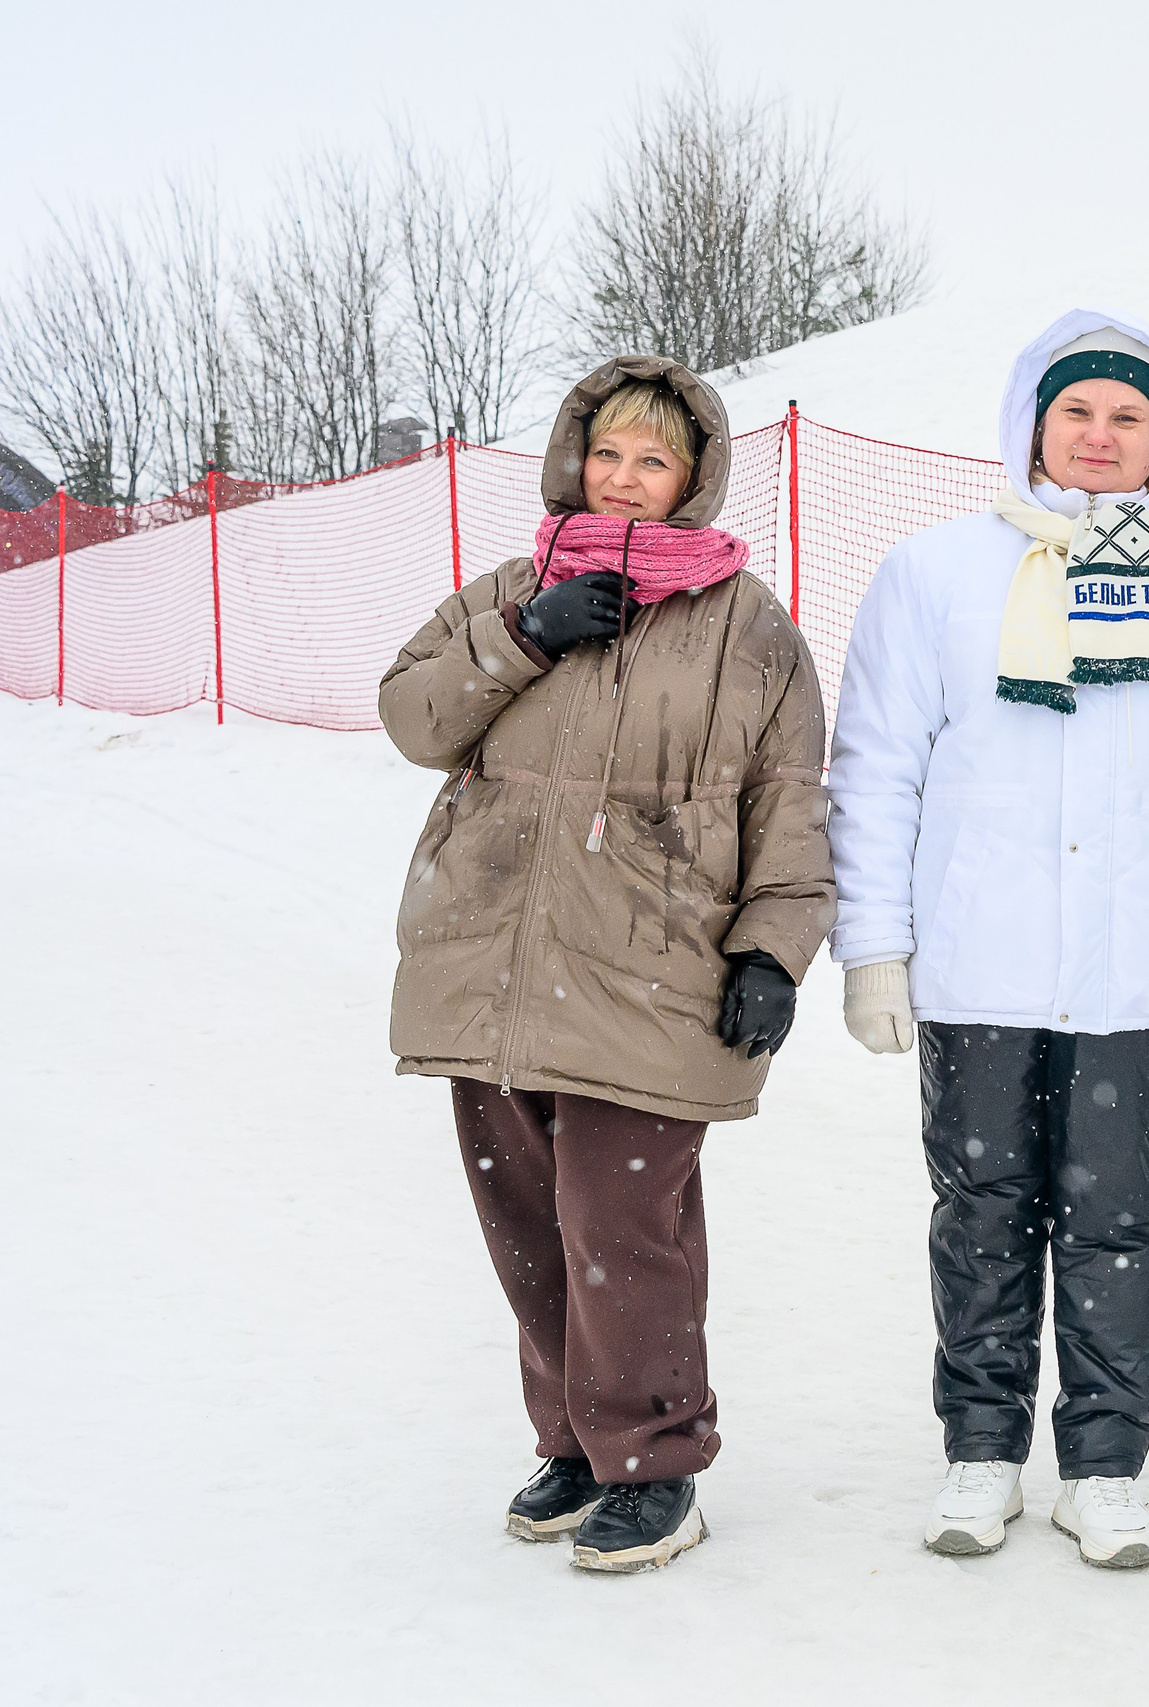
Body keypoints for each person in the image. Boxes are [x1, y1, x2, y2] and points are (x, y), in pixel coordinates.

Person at [827, 309, 1149, 1570]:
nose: (1100, 438)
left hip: (1143, 967)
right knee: (982, 1208)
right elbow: (875, 769)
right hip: (979, 959)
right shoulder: (936, 574)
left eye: (1129, 417)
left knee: (1120, 1222)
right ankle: (981, 1452)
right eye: (1078, 411)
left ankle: (1101, 1466)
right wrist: (875, 946)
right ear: (1031, 424)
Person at [380, 356, 833, 1574]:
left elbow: (790, 800)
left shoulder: (750, 628)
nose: (625, 481)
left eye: (655, 461)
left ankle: (658, 1463)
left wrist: (774, 949)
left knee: (620, 1223)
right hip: (493, 958)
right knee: (527, 1222)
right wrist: (524, 638)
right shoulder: (511, 590)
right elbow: (414, 719)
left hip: (652, 967)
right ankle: (578, 1444)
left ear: (693, 482)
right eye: (608, 454)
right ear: (574, 458)